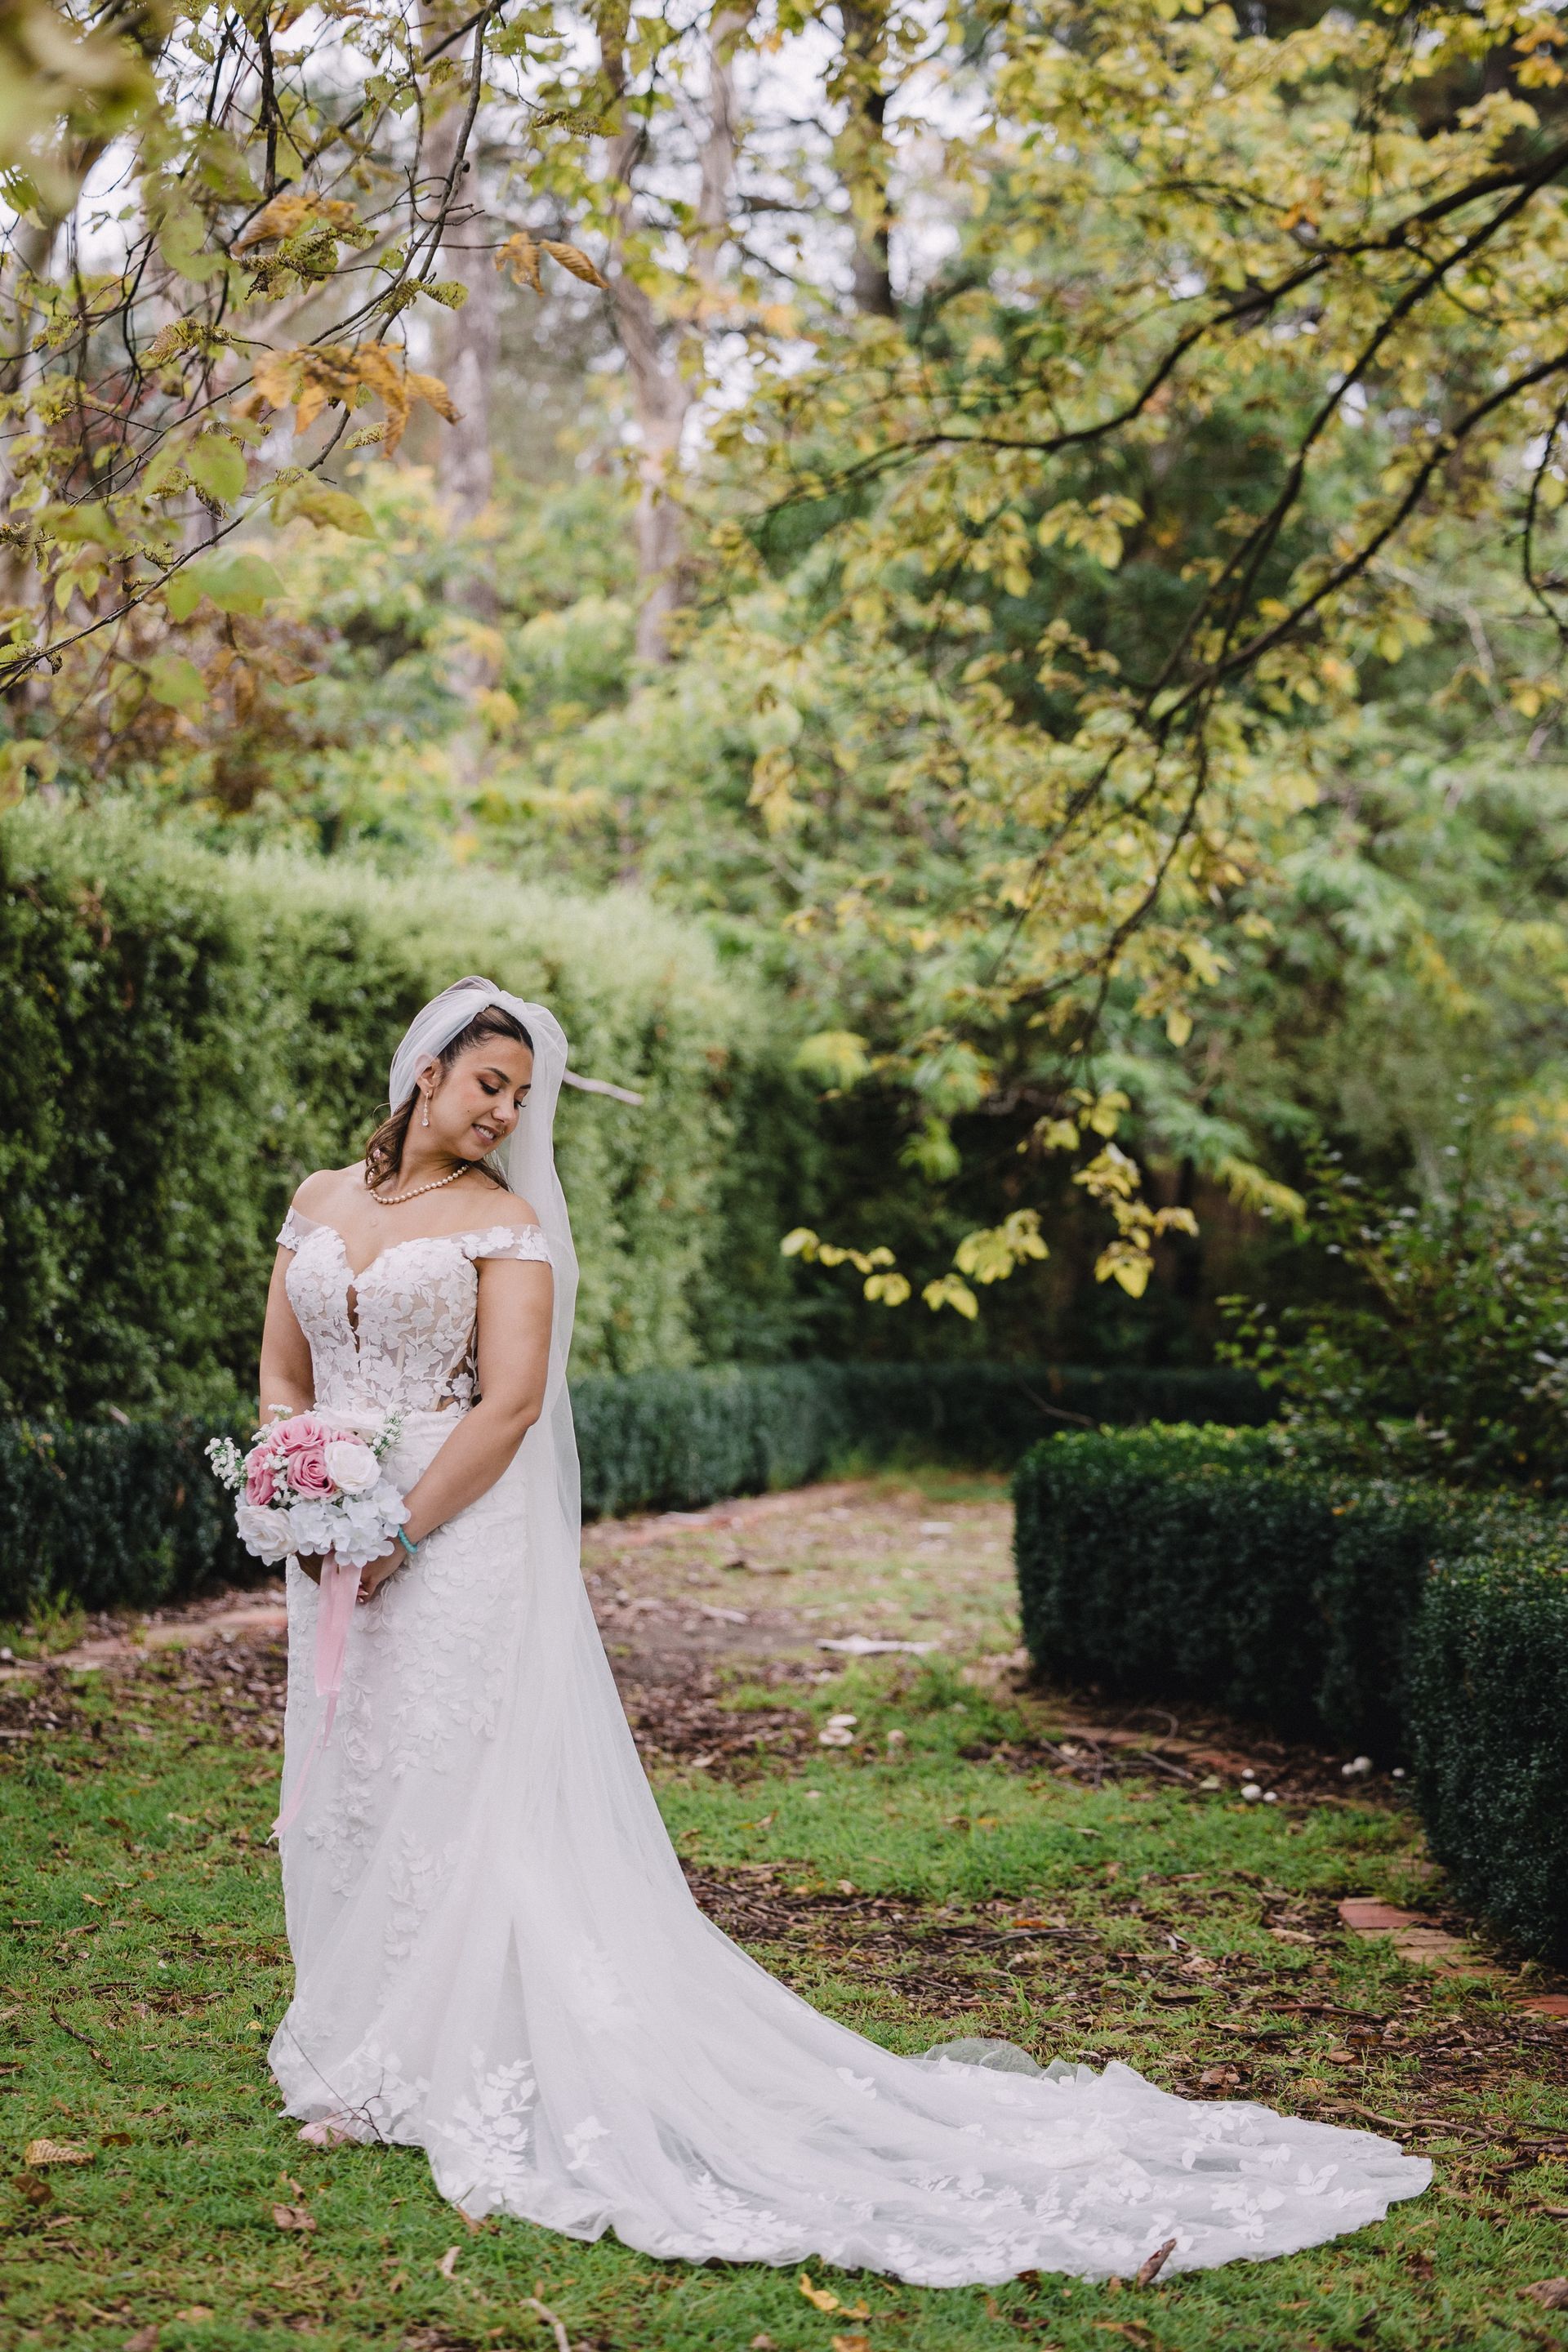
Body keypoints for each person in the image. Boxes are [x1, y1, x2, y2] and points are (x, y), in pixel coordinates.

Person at [257, 975, 1429, 2286]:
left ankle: (443, 2054)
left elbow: (513, 1406)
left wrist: (400, 1526)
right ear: (427, 1070)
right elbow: (286, 1368)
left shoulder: (508, 1225)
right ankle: (365, 2035)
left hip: (452, 1536)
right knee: (361, 1773)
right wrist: (299, 1477)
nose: (507, 1112)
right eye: (491, 1086)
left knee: (455, 1785)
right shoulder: (318, 1200)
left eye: (524, 1096)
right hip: (332, 1534)